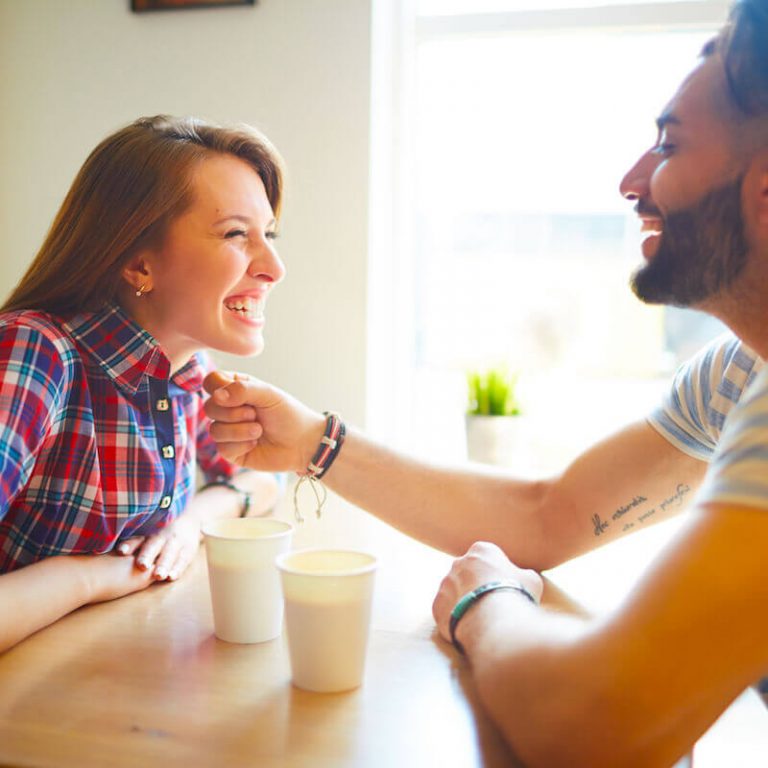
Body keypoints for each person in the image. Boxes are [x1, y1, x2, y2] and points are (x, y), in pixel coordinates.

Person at [204, 0, 768, 764]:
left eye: (669, 145)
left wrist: (485, 602)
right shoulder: (737, 375)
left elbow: (589, 725)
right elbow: (549, 515)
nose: (632, 181)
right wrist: (312, 442)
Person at [0, 115, 286, 654]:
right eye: (236, 234)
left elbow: (262, 478)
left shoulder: (186, 369)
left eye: (268, 234)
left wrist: (189, 525)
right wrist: (88, 577)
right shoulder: (36, 353)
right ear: (138, 265)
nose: (274, 267)